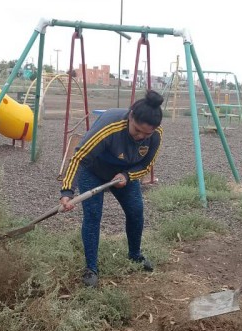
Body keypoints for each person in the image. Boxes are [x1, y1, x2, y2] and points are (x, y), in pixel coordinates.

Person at [59, 90, 164, 288]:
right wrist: (67, 192)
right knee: (93, 215)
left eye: (146, 134)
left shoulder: (156, 135)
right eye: (137, 131)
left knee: (136, 211)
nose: (141, 137)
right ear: (130, 116)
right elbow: (79, 157)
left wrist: (127, 176)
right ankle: (91, 268)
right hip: (93, 170)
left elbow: (146, 165)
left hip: (123, 173)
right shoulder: (109, 127)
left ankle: (135, 255)